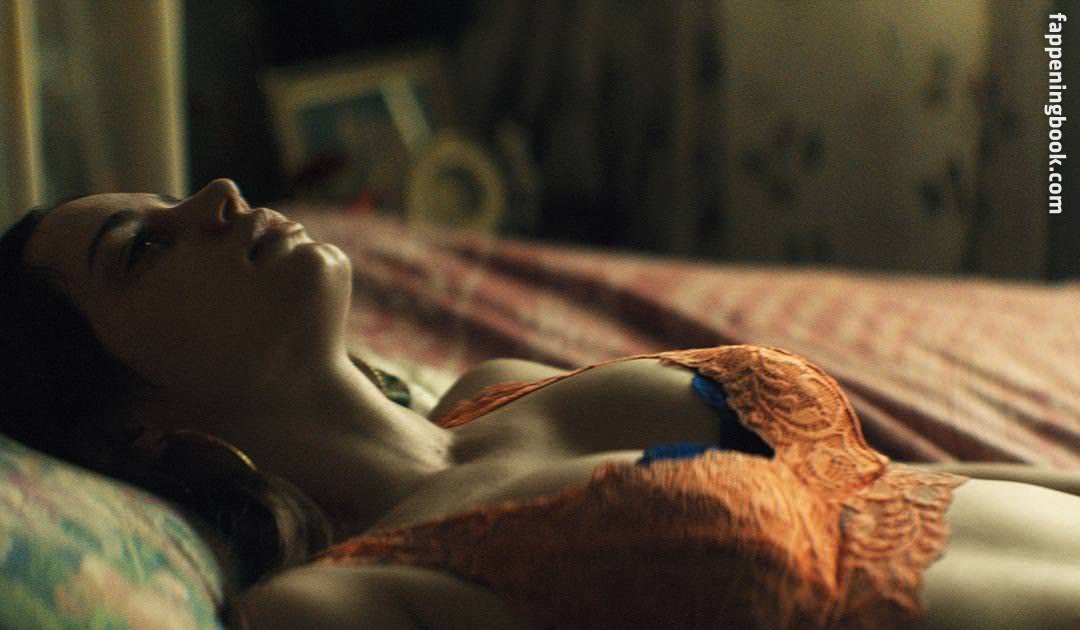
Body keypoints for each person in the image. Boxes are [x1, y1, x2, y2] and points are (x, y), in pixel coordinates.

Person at [1, 178, 1078, 629]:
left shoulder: (496, 390)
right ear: (127, 430)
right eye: (141, 250)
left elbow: (909, 483)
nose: (218, 197)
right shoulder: (332, 608)